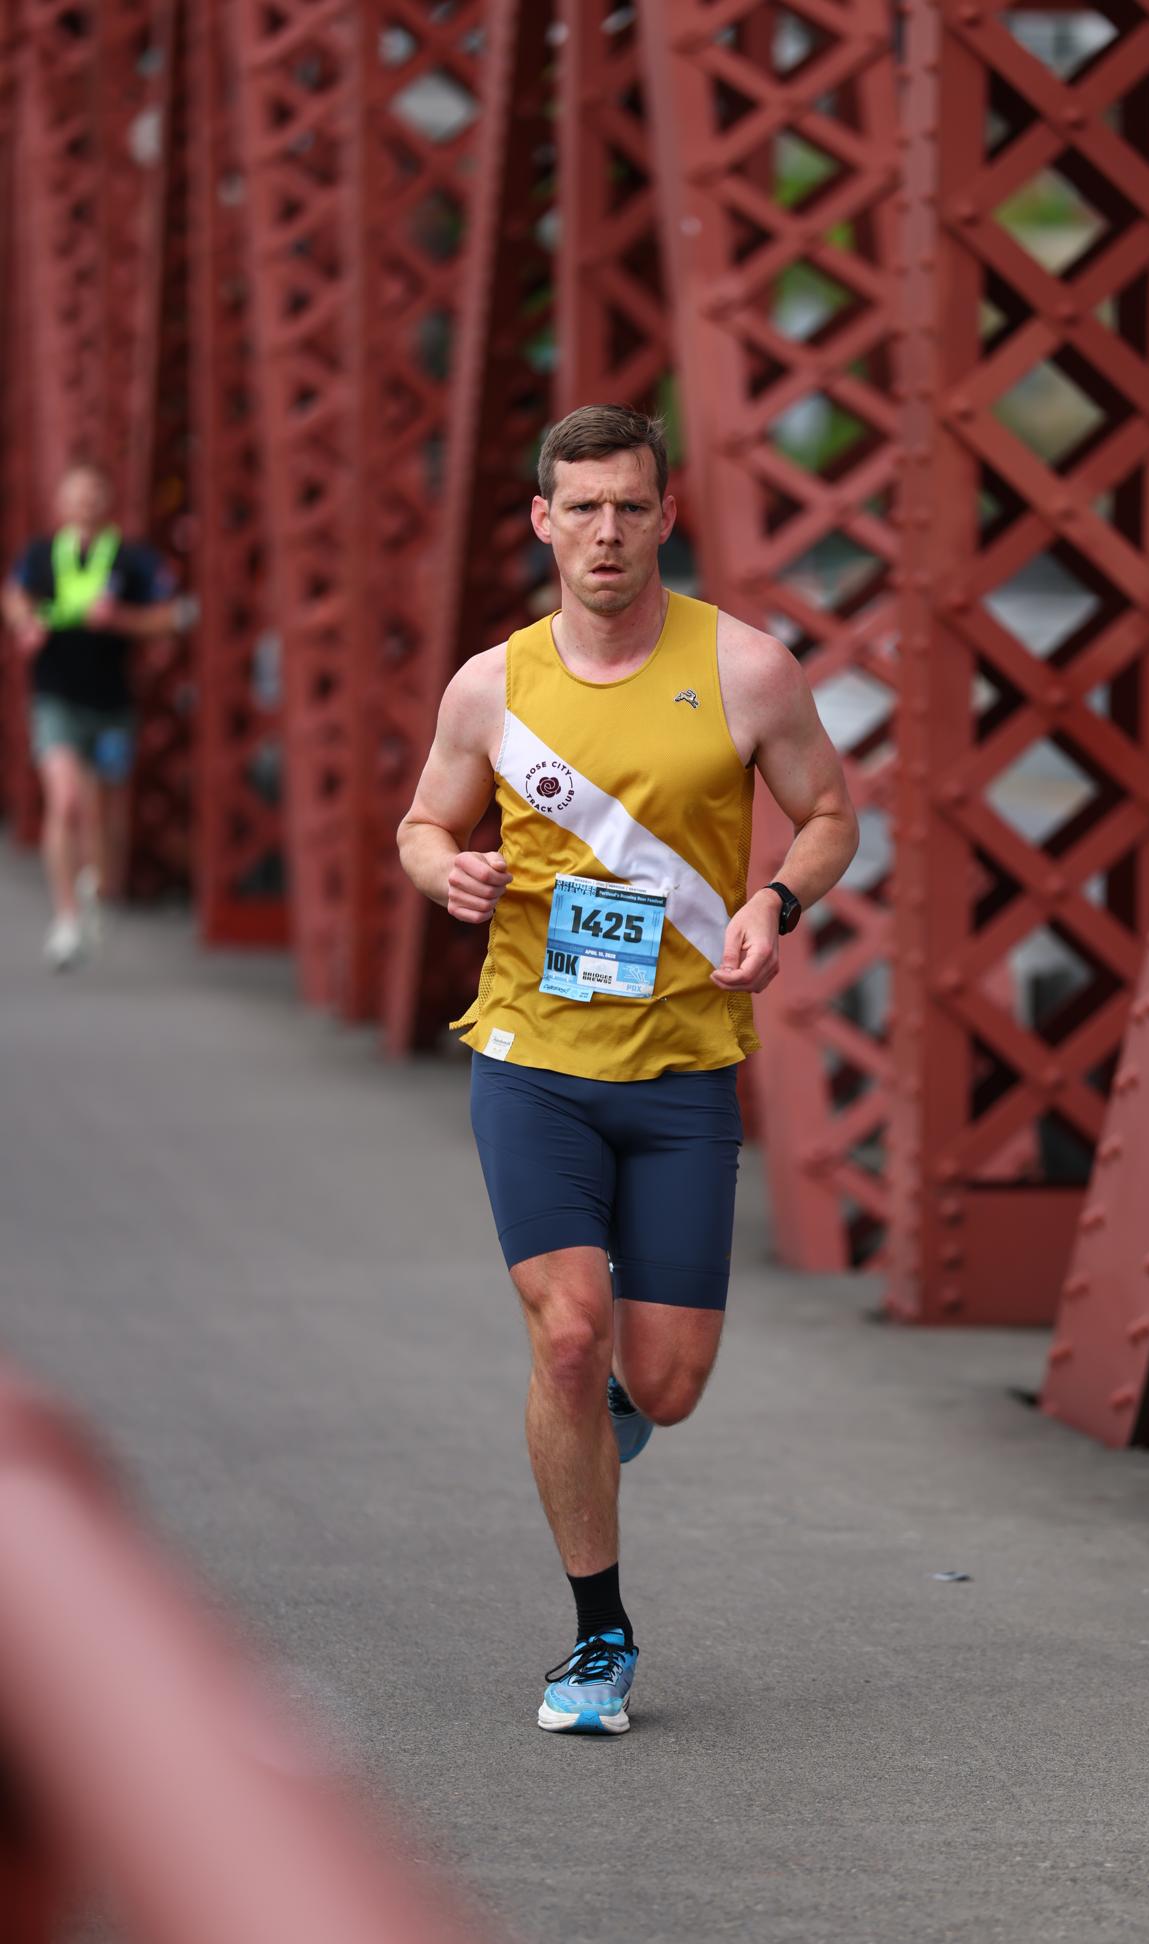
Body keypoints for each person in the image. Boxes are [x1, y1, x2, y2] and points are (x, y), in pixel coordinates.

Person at [397, 405, 859, 1734]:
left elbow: (831, 814)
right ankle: (597, 1639)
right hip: (531, 1059)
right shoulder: (491, 686)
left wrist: (774, 897)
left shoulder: (747, 669)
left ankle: (606, 1411)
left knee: (665, 1383)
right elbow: (421, 822)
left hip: (681, 1072)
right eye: (582, 507)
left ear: (666, 516)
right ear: (542, 521)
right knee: (566, 1333)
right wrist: (447, 870)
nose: (606, 532)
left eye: (630, 506)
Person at [3, 462, 185, 968]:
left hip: (112, 704)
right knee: (64, 801)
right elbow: (14, 596)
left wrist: (121, 619)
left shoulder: (132, 559)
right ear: (61, 503)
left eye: (93, 495)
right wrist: (24, 625)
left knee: (102, 809)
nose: (84, 504)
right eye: (76, 495)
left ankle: (95, 890)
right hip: (56, 697)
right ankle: (65, 916)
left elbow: (172, 616)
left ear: (107, 503)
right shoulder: (41, 555)